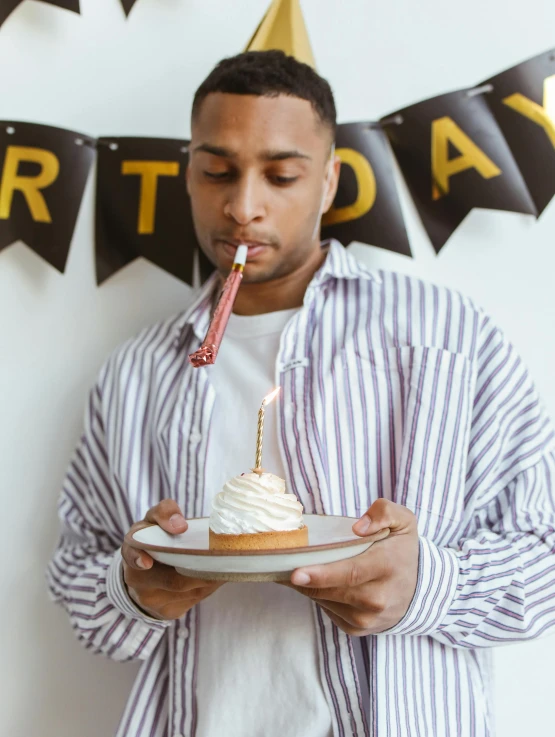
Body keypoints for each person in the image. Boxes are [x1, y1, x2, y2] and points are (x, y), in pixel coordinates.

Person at [47, 50, 555, 737]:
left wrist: (424, 584)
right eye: (216, 171)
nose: (242, 206)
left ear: (328, 183)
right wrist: (133, 588)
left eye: (281, 175)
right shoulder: (134, 372)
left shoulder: (445, 339)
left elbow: (543, 551)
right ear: (186, 175)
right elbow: (77, 571)